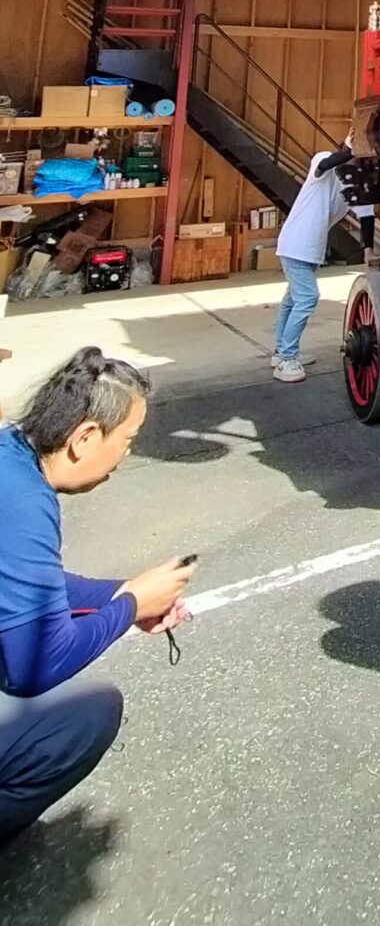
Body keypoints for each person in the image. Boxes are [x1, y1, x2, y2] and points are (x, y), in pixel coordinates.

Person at [0, 348, 196, 848]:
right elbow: (35, 665)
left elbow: (33, 583)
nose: (126, 455)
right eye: (127, 441)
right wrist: (129, 607)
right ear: (85, 437)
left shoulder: (10, 455)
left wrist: (124, 593)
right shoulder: (25, 502)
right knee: (89, 715)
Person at [273, 139, 356, 383]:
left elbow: (367, 214)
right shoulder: (322, 164)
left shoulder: (347, 185)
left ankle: (282, 352)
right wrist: (352, 149)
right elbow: (330, 162)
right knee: (308, 297)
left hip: (308, 249)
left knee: (292, 299)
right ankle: (287, 358)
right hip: (296, 244)